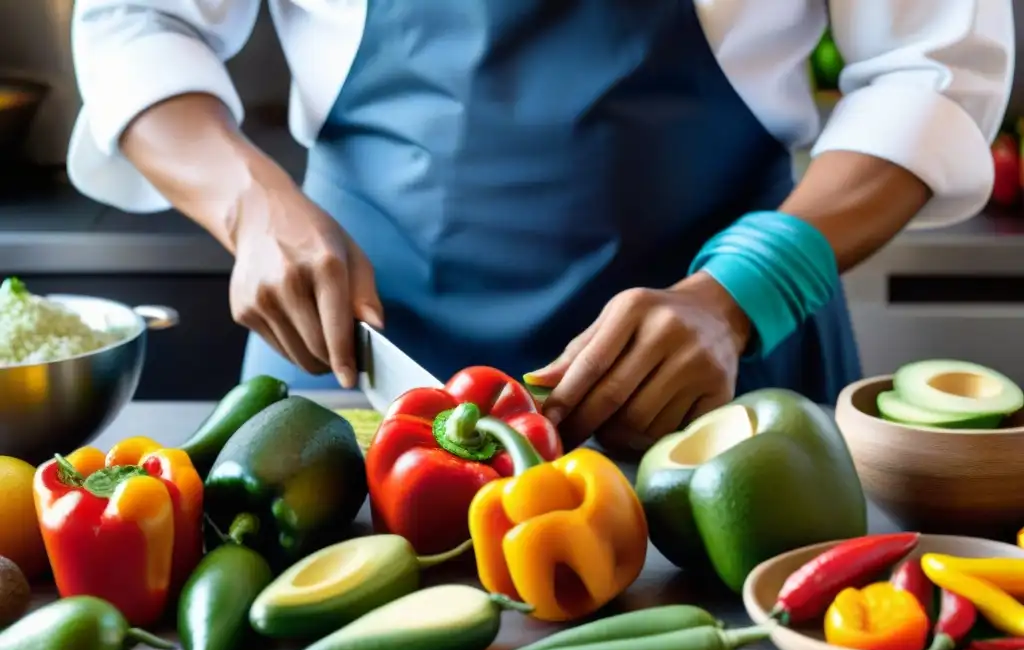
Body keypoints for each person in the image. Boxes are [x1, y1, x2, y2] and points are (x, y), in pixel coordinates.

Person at [69, 1, 1014, 452]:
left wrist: (739, 297)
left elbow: (931, 68)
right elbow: (131, 15)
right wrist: (250, 203)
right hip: (349, 365)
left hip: (720, 375)